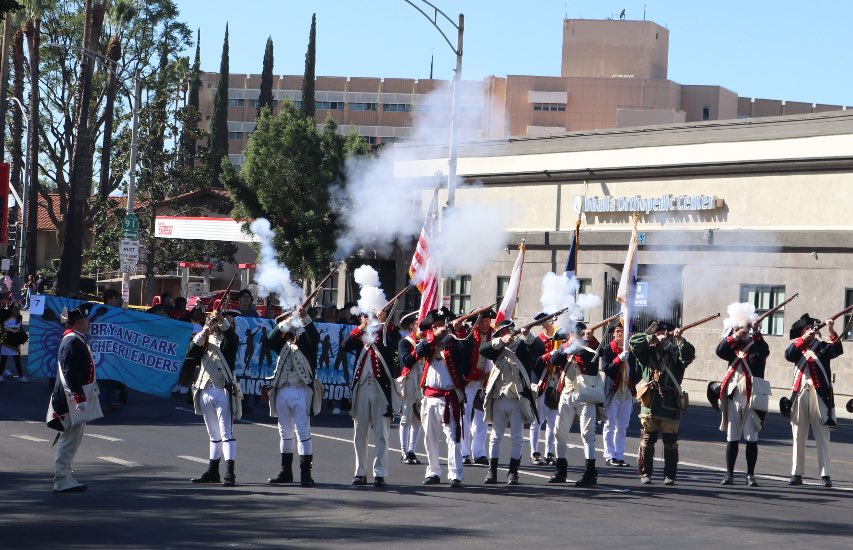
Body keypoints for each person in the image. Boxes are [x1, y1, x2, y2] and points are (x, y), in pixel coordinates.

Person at [630, 320, 695, 485]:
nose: (662, 336)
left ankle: (670, 475)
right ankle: (645, 473)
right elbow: (634, 342)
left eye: (664, 334)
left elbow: (688, 355)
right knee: (647, 439)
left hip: (670, 400)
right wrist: (651, 337)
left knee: (670, 441)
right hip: (650, 400)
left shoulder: (675, 351)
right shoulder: (647, 351)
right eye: (659, 333)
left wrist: (680, 340)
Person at [479, 319, 543, 485]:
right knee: (495, 437)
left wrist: (527, 335)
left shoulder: (523, 346)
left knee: (517, 437)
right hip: (498, 397)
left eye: (506, 331)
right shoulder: (497, 348)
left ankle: (513, 473)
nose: (505, 334)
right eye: (501, 332)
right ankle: (492, 472)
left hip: (517, 398)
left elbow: (539, 349)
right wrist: (501, 341)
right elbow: (483, 350)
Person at [263, 306, 321, 487]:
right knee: (285, 432)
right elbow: (268, 341)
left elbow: (315, 338)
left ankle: (306, 473)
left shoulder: (305, 342)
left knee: (303, 431)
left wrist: (304, 318)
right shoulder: (281, 343)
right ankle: (286, 471)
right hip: (282, 390)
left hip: (301, 390)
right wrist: (286, 322)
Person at [783, 313, 842, 488]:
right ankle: (796, 473)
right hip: (800, 393)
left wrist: (831, 329)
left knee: (822, 436)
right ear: (802, 332)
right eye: (807, 328)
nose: (811, 330)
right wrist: (803, 339)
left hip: (820, 396)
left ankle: (825, 474)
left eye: (812, 328)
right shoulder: (797, 347)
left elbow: (837, 350)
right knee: (798, 435)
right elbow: (788, 355)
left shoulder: (822, 346)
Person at [343, 310, 401, 488]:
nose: (367, 318)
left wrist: (385, 322)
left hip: (380, 388)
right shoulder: (360, 334)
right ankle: (360, 472)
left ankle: (379, 473)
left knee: (381, 434)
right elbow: (346, 345)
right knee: (359, 433)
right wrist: (361, 327)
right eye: (364, 316)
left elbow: (395, 341)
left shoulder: (386, 332)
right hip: (361, 387)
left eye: (370, 315)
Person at [415, 309, 473, 487]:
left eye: (441, 325)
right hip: (430, 396)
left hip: (449, 396)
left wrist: (458, 330)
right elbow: (417, 353)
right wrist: (434, 337)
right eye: (435, 326)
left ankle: (455, 474)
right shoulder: (428, 343)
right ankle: (433, 471)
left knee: (453, 437)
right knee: (430, 437)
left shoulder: (455, 342)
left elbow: (467, 352)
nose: (438, 328)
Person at [186, 310, 242, 487]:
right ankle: (212, 471)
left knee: (226, 433)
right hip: (205, 389)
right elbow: (191, 351)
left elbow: (231, 337)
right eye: (218, 321)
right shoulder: (205, 339)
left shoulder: (230, 341)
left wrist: (221, 320)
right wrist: (203, 332)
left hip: (222, 390)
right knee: (213, 434)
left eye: (228, 322)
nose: (223, 324)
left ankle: (230, 473)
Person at [46, 303, 98, 493]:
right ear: (77, 323)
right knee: (68, 441)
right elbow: (69, 373)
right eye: (85, 320)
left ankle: (66, 476)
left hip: (73, 398)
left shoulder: (76, 339)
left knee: (72, 441)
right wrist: (79, 397)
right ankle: (61, 480)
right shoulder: (71, 342)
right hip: (69, 399)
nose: (88, 323)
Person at [714, 318, 770, 487]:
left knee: (751, 438)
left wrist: (756, 331)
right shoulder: (732, 345)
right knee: (732, 436)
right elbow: (720, 351)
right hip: (734, 395)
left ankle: (750, 475)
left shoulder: (756, 344)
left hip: (752, 397)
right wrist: (736, 336)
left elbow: (764, 352)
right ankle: (729, 474)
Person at [546, 321, 602, 486]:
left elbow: (597, 354)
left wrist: (589, 339)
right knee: (559, 433)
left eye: (576, 333)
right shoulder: (566, 347)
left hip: (585, 395)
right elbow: (554, 359)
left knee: (587, 434)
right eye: (572, 333)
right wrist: (568, 344)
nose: (573, 335)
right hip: (567, 393)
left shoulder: (590, 346)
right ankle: (560, 470)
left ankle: (590, 473)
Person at [601, 320, 640, 468]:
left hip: (627, 393)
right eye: (617, 331)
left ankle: (619, 455)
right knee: (610, 425)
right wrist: (618, 359)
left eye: (622, 331)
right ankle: (609, 455)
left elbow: (637, 373)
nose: (619, 333)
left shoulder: (632, 351)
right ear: (613, 333)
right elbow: (607, 369)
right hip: (613, 393)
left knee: (622, 426)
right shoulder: (608, 349)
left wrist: (632, 383)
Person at [460, 307, 495, 466]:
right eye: (481, 321)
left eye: (487, 321)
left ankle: (479, 453)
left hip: (487, 382)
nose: (485, 324)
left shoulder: (495, 336)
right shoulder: (467, 337)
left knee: (482, 419)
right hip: (469, 381)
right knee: (465, 417)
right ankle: (464, 452)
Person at [529, 312, 563, 466]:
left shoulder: (560, 340)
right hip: (542, 383)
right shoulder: (537, 341)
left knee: (552, 421)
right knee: (537, 420)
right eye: (548, 321)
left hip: (555, 383)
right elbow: (533, 364)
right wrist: (547, 356)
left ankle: (549, 452)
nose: (551, 324)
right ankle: (534, 452)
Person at [396, 311, 423, 466]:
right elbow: (406, 361)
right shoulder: (405, 343)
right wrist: (419, 348)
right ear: (412, 325)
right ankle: (404, 451)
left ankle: (412, 450)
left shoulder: (426, 342)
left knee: (418, 419)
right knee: (406, 418)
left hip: (422, 382)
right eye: (417, 323)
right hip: (410, 381)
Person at [0, 303, 28, 382]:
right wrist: (11, 330)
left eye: (18, 310)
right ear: (11, 309)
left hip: (16, 340)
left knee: (17, 359)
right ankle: (0, 375)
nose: (17, 311)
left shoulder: (19, 317)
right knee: (4, 358)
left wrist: (23, 336)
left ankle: (21, 377)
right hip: (6, 339)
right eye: (15, 309)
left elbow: (20, 328)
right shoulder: (5, 316)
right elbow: (1, 326)